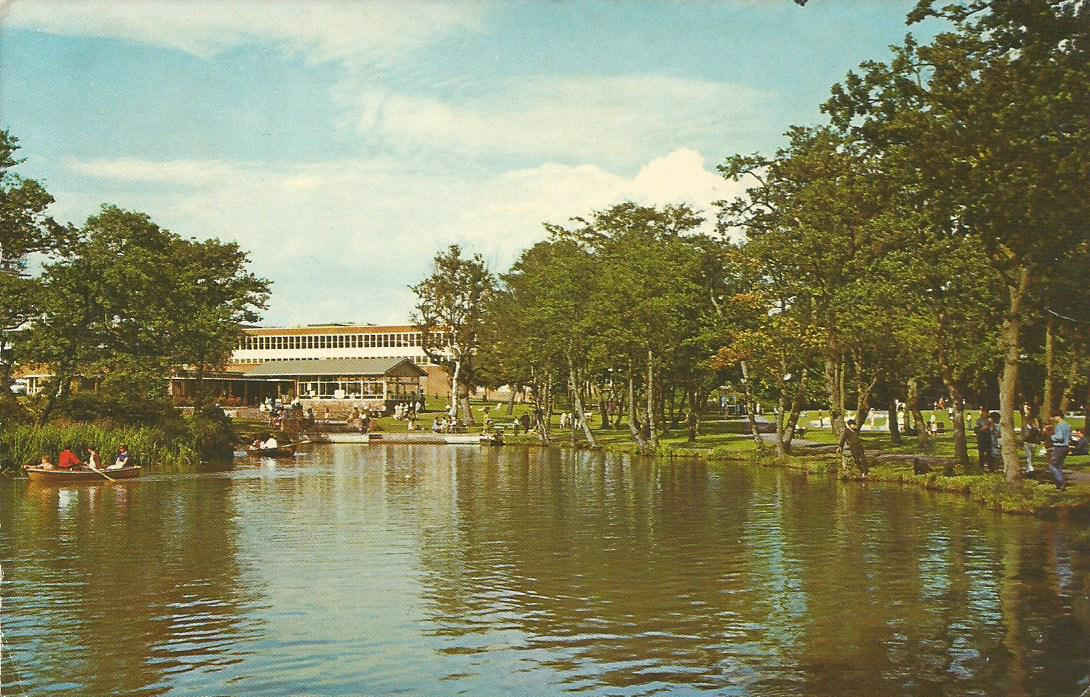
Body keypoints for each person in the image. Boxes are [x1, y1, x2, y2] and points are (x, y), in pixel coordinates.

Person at [1048, 410, 1071, 490]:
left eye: (1054, 417)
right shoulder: (1068, 425)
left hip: (1059, 447)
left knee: (1052, 466)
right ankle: (1059, 484)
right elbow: (1069, 437)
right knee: (1059, 466)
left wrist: (1051, 437)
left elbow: (1060, 437)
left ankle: (1061, 482)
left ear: (1058, 416)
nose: (1053, 419)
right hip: (1066, 447)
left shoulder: (1059, 425)